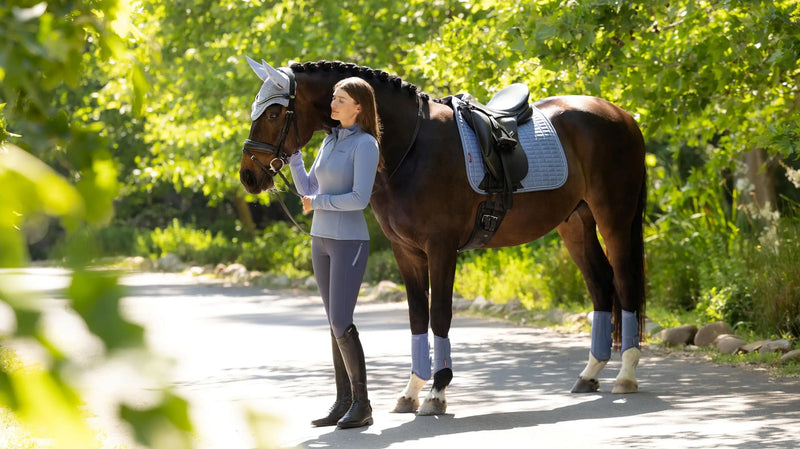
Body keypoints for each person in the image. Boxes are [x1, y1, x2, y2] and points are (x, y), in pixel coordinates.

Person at [288, 77, 381, 429]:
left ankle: (363, 404)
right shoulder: (328, 142)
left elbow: (360, 198)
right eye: (334, 99)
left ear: (359, 107)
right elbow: (308, 188)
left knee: (342, 320)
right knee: (333, 322)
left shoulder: (366, 145)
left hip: (349, 242)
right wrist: (295, 156)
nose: (333, 105)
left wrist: (319, 202)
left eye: (340, 100)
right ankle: (343, 402)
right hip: (321, 239)